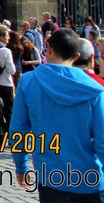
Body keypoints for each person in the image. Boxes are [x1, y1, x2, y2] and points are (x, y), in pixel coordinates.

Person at [11, 28, 104, 199]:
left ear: (49, 49)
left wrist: (21, 166)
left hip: (50, 177)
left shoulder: (28, 81)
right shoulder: (95, 89)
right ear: (77, 57)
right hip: (89, 179)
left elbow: (18, 130)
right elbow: (102, 141)